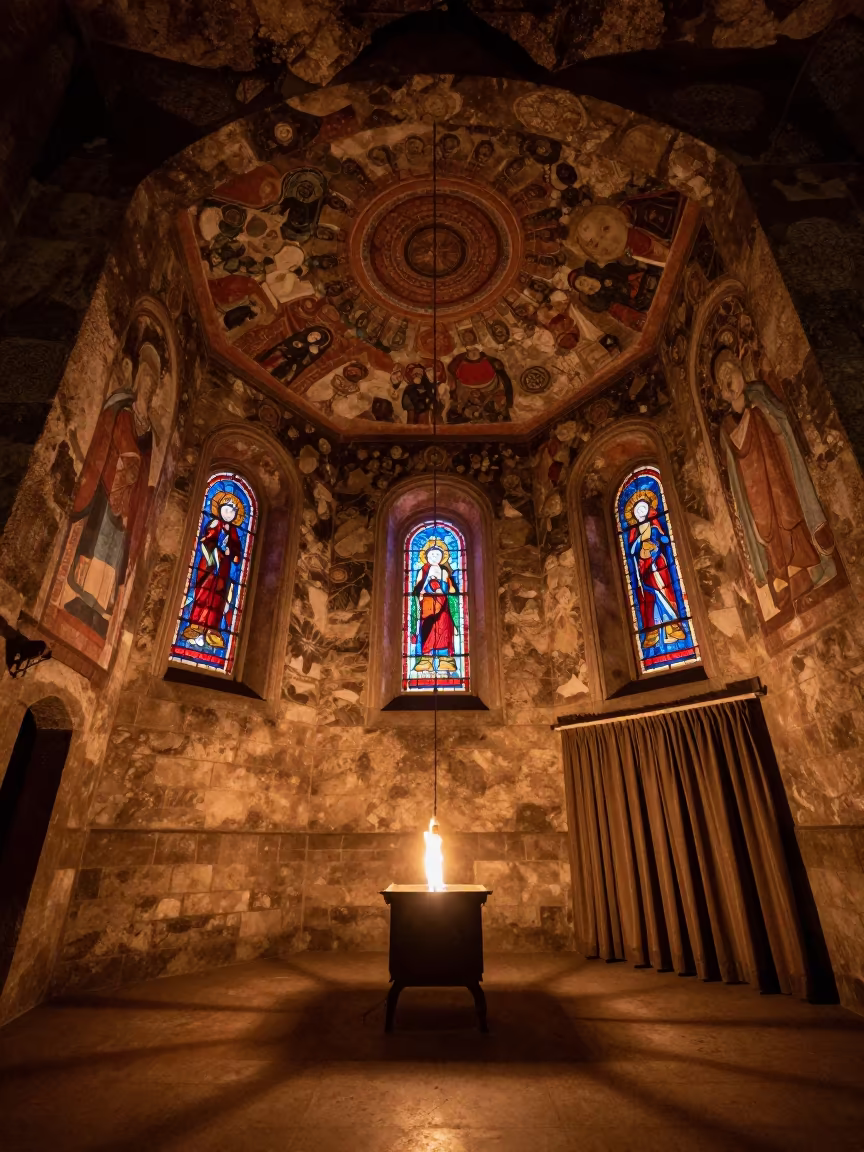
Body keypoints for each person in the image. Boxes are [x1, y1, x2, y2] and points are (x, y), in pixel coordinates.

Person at [714, 348, 836, 612]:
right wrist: (744, 417)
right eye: (722, 378)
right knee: (767, 531)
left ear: (739, 368)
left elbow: (781, 417)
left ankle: (812, 567)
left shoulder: (758, 393)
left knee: (788, 514)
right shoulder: (726, 424)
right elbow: (731, 464)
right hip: (754, 489)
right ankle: (784, 584)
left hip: (777, 470)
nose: (728, 380)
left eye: (730, 372)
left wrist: (756, 413)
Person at [62, 349, 158, 640]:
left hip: (127, 501)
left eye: (154, 387)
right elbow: (112, 436)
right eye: (148, 383)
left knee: (114, 551)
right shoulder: (123, 408)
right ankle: (80, 599)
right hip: (108, 488)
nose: (150, 390)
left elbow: (144, 463)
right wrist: (128, 459)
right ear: (139, 381)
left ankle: (100, 608)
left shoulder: (148, 428)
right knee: (96, 544)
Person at [624, 489, 686, 650]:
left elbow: (664, 538)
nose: (641, 512)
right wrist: (640, 543)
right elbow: (631, 551)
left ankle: (672, 628)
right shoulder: (633, 532)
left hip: (658, 564)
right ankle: (655, 631)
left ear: (649, 509)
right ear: (634, 515)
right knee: (650, 596)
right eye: (637, 510)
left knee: (663, 591)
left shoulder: (655, 525)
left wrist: (660, 539)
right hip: (644, 567)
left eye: (643, 508)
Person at [181, 491, 244, 650]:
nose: (228, 513)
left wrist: (232, 554)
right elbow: (206, 540)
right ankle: (196, 625)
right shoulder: (215, 524)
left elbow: (237, 552)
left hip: (224, 569)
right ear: (220, 509)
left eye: (232, 512)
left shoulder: (234, 532)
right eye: (226, 510)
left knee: (219, 597)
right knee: (203, 593)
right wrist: (215, 550)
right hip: (209, 565)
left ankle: (212, 630)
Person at [411, 539, 460, 675]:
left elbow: (451, 590)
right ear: (426, 557)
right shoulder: (422, 571)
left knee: (444, 630)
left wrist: (444, 589)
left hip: (442, 606)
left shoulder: (445, 572)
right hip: (426, 607)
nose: (434, 557)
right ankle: (426, 660)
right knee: (427, 630)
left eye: (437, 555)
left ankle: (445, 660)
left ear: (442, 557)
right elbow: (416, 589)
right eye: (431, 555)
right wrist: (421, 592)